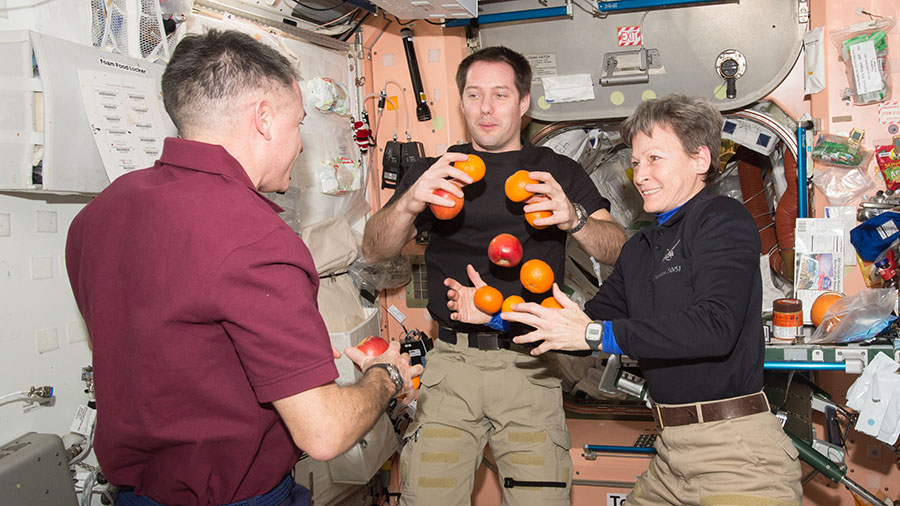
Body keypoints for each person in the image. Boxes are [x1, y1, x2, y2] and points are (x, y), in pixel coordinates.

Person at [66, 29, 422, 506]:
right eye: (298, 124)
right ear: (264, 119)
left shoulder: (99, 214)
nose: (299, 146)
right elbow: (324, 432)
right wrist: (387, 377)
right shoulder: (256, 237)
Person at [503, 94, 803, 505]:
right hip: (671, 455)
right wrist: (492, 314)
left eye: (654, 159)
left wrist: (595, 334)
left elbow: (715, 327)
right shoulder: (640, 247)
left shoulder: (720, 220)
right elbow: (580, 322)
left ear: (700, 160)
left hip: (737, 454)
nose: (640, 174)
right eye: (636, 161)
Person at [362, 46, 626, 506]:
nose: (486, 108)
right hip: (449, 367)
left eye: (500, 95)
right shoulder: (436, 172)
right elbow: (375, 248)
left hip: (529, 366)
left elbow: (620, 248)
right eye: (474, 95)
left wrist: (574, 218)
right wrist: (408, 201)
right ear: (461, 102)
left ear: (523, 104)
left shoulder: (557, 171)